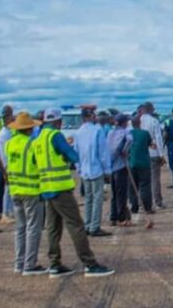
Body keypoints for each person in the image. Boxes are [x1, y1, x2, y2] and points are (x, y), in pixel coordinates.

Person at [33, 108, 115, 277]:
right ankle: (89, 263)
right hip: (60, 188)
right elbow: (72, 155)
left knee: (53, 227)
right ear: (58, 122)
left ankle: (55, 263)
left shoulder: (38, 138)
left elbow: (35, 161)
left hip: (46, 188)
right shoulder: (55, 136)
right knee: (76, 225)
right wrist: (68, 157)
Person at [6, 112, 49, 275]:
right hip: (31, 190)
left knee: (20, 228)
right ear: (30, 128)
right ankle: (30, 264)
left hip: (15, 189)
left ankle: (19, 263)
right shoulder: (32, 144)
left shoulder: (10, 144)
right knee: (33, 228)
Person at [74, 108, 112, 237]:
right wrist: (107, 170)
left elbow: (76, 152)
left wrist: (79, 168)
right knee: (97, 198)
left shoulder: (78, 132)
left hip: (84, 170)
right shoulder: (97, 130)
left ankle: (88, 224)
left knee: (89, 199)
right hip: (96, 169)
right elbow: (103, 153)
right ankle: (94, 226)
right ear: (89, 117)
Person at [126, 115, 154, 214]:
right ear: (140, 123)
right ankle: (147, 207)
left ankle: (134, 207)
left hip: (132, 163)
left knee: (133, 186)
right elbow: (152, 145)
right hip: (144, 163)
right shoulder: (145, 133)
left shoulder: (129, 134)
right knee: (145, 186)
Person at [107, 113, 132, 227]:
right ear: (124, 122)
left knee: (114, 193)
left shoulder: (110, 133)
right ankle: (121, 218)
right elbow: (130, 140)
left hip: (112, 167)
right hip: (121, 166)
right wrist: (125, 150)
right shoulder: (125, 132)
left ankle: (113, 216)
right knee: (122, 194)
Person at [140, 102, 166, 208]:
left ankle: (143, 202)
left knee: (142, 180)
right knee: (155, 179)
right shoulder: (154, 121)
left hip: (141, 154)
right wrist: (162, 155)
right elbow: (159, 139)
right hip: (153, 153)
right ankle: (157, 201)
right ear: (151, 110)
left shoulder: (138, 120)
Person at [0, 107, 16, 222]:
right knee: (8, 190)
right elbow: (4, 153)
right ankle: (6, 213)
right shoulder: (4, 134)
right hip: (7, 164)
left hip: (9, 164)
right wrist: (6, 168)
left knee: (10, 190)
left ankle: (9, 211)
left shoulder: (8, 132)